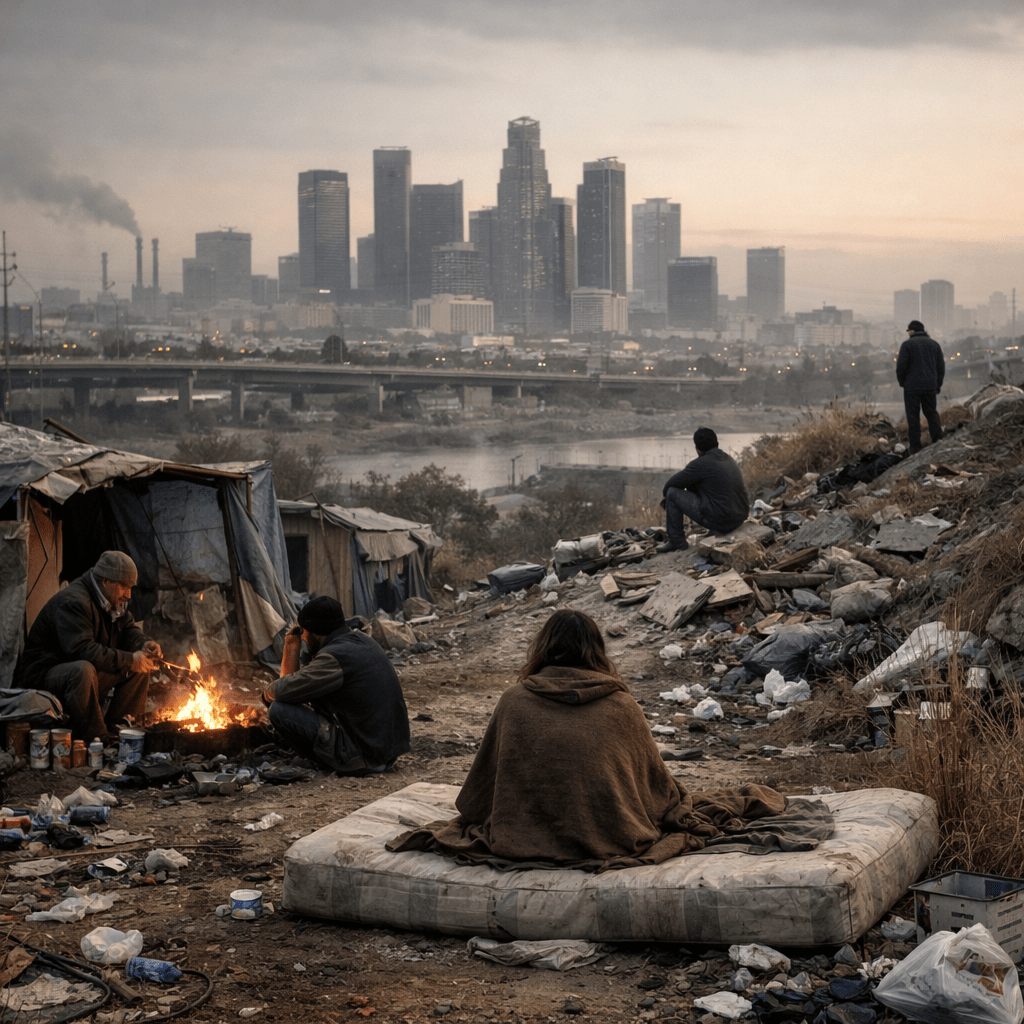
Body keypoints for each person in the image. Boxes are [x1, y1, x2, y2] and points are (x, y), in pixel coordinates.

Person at [387, 610, 790, 871]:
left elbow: (477, 798)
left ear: (543, 649)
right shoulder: (621, 704)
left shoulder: (514, 700)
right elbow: (657, 792)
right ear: (596, 651)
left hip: (517, 842)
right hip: (613, 838)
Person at [17, 550, 161, 742]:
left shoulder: (111, 599)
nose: (128, 595)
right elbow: (81, 650)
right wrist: (129, 660)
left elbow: (127, 629)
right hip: (45, 675)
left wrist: (144, 644)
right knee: (83, 670)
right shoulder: (74, 601)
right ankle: (96, 739)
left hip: (84, 669)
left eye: (131, 588)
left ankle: (122, 731)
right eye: (125, 587)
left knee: (141, 667)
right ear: (106, 581)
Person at [262, 596, 410, 775]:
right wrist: (292, 646)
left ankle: (323, 762)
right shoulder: (360, 641)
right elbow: (295, 685)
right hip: (383, 752)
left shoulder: (334, 658)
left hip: (364, 757)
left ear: (316, 633)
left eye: (305, 633)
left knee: (279, 710)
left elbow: (283, 690)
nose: (304, 638)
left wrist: (266, 695)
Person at [658, 427, 749, 553]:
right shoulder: (728, 459)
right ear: (717, 444)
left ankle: (677, 541)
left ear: (697, 448)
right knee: (706, 486)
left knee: (672, 493)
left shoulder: (700, 464)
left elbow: (668, 487)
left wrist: (668, 502)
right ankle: (713, 529)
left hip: (723, 523)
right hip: (739, 518)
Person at [897, 320, 945, 453]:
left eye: (908, 331)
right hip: (930, 387)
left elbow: (901, 367)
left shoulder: (907, 345)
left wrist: (903, 383)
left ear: (911, 331)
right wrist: (937, 384)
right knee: (931, 413)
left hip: (912, 388)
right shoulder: (934, 345)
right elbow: (941, 367)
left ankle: (916, 447)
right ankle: (937, 441)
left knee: (913, 416)